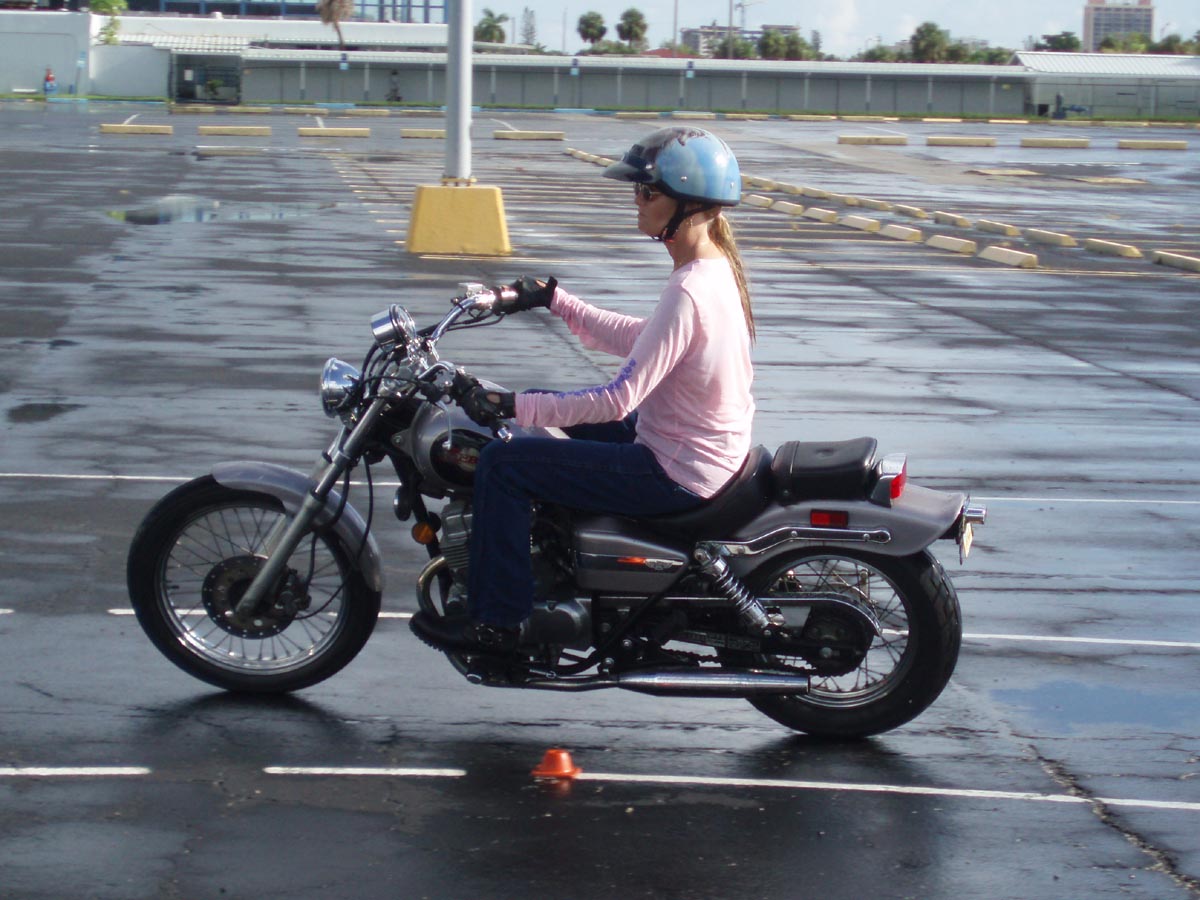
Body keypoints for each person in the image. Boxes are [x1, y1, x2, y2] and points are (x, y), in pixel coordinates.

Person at [410, 126, 755, 654]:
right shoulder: (712, 272)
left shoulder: (691, 289)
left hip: (676, 469)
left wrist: (511, 403)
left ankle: (499, 622)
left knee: (503, 464)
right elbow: (643, 338)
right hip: (688, 448)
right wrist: (555, 300)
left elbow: (618, 399)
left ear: (688, 206)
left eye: (647, 192)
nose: (636, 200)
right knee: (528, 421)